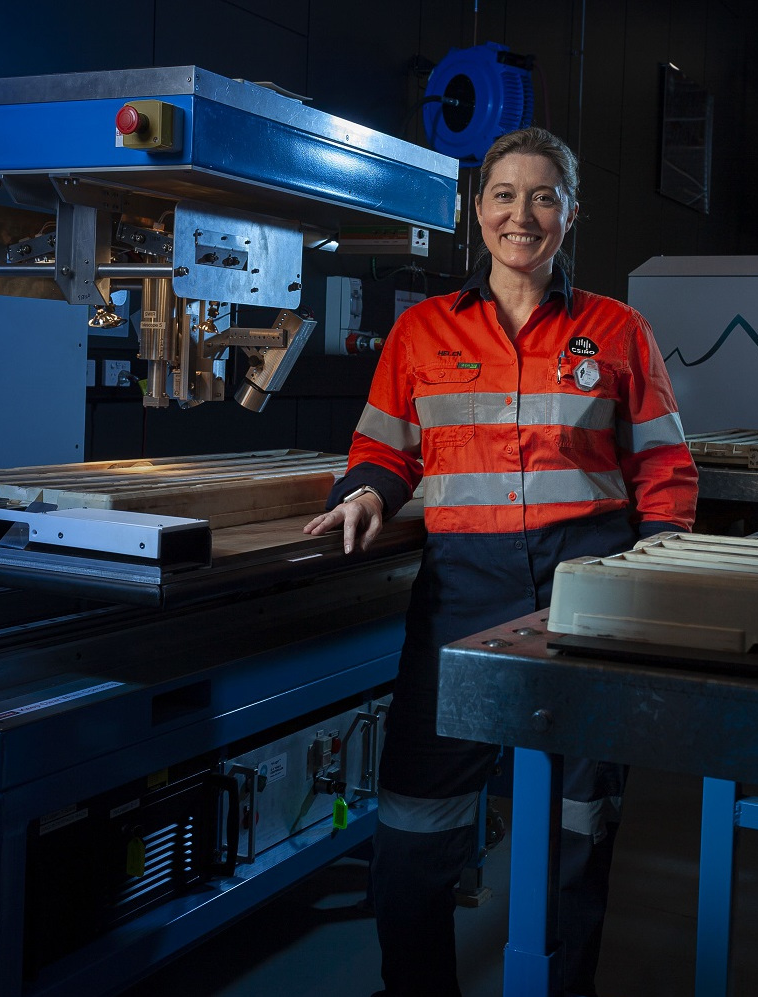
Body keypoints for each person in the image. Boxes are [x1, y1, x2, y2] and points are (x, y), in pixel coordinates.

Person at [304, 126, 698, 997]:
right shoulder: (420, 331)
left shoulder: (617, 330)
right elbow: (384, 451)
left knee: (578, 821)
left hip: (586, 591)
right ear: (477, 213)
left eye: (544, 195)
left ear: (570, 213)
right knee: (413, 822)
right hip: (460, 590)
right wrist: (365, 493)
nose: (524, 214)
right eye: (505, 196)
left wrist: (656, 569)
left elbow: (663, 466)